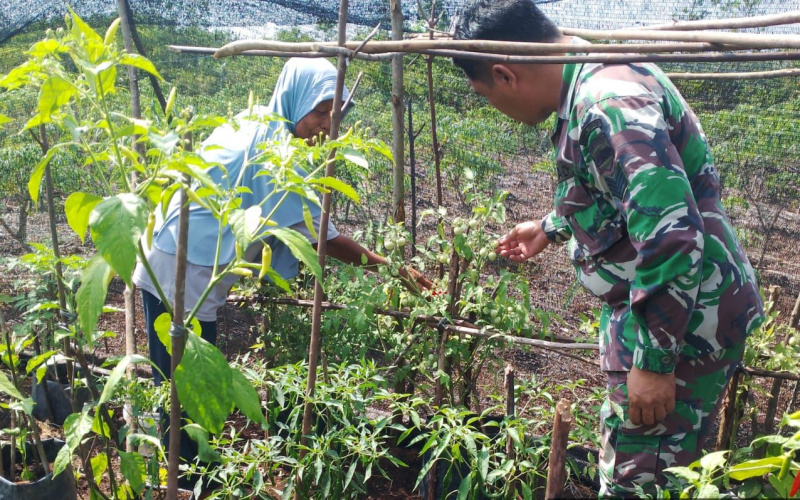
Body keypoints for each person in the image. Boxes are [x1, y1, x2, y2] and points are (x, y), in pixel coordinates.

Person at [452, 0, 765, 496]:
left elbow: (671, 231)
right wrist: (552, 226)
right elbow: (621, 194)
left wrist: (654, 362)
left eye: (483, 93)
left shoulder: (605, 102)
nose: (492, 106)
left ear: (504, 74)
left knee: (640, 486)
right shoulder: (592, 77)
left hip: (681, 331)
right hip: (666, 317)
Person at [132, 57, 431, 491]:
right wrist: (395, 271)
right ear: (296, 101)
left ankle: (191, 479)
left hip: (177, 264)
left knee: (186, 388)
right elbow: (322, 240)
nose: (328, 124)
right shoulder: (275, 151)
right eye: (321, 110)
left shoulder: (255, 122)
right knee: (188, 394)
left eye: (336, 114)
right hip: (179, 275)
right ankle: (191, 483)